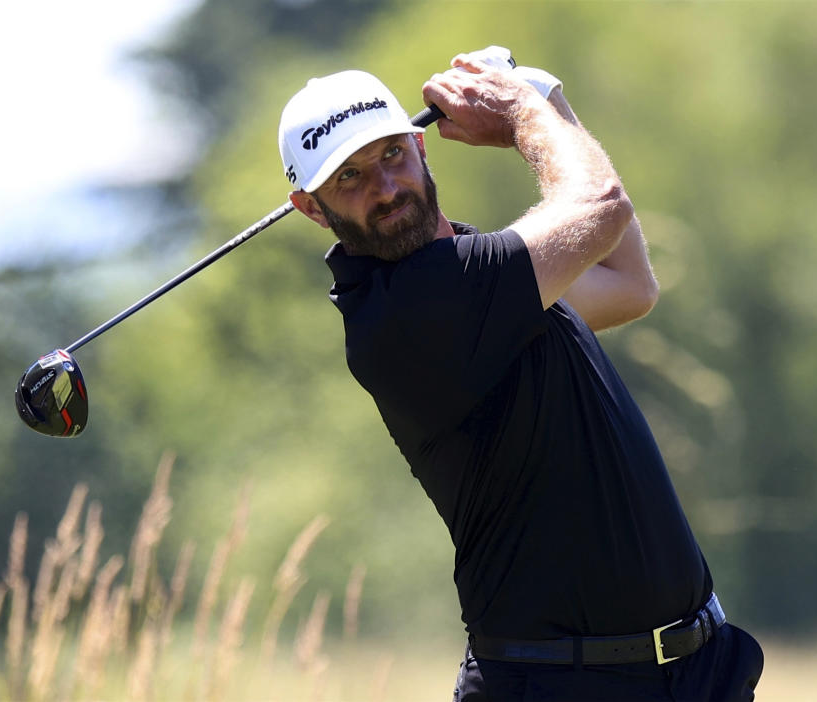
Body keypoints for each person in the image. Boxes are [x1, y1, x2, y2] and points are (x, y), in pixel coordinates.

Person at [278, 48, 763, 701]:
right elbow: (599, 204)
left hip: (692, 671)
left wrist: (546, 97)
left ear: (422, 148)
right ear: (311, 208)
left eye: (392, 155)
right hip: (560, 683)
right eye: (350, 177)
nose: (386, 188)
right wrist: (524, 112)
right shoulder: (409, 310)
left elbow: (627, 283)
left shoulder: (482, 276)